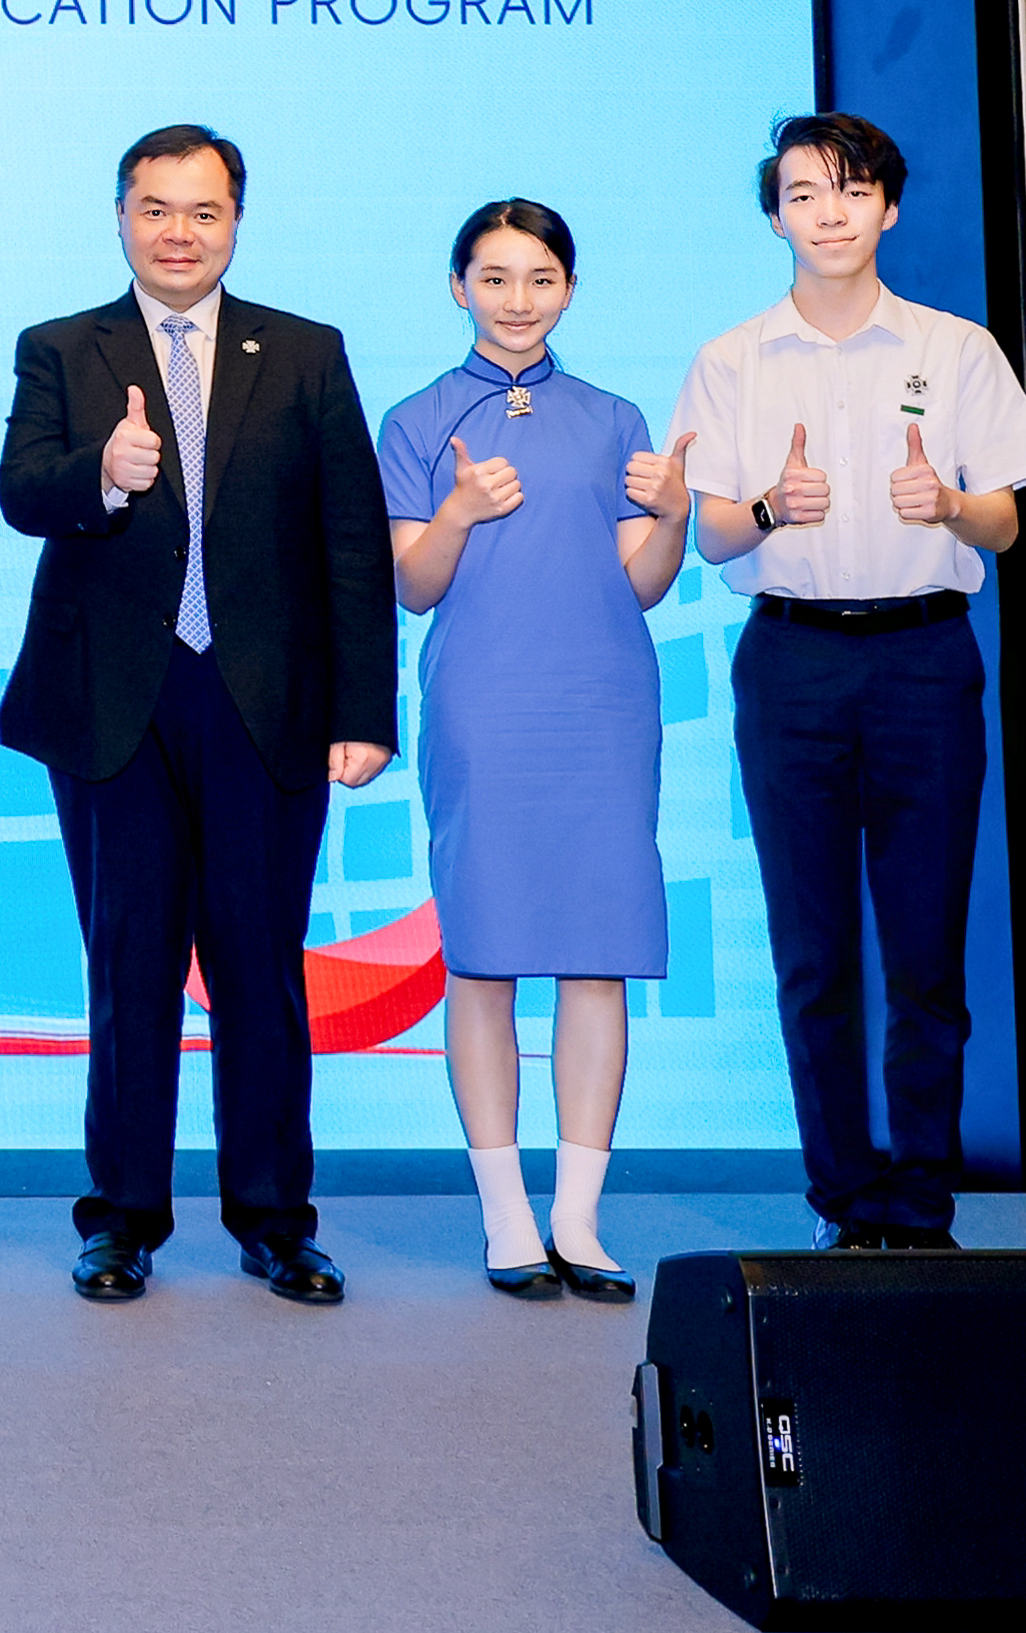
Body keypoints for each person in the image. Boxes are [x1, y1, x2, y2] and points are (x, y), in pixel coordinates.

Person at [0, 124, 398, 1307]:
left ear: (236, 221)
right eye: (156, 208)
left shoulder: (309, 352)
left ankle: (276, 1218)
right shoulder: (63, 349)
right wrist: (103, 476)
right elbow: (23, 491)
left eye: (204, 210)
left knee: (260, 967)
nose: (179, 231)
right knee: (128, 969)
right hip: (114, 703)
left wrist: (362, 708)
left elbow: (351, 543)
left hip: (265, 702)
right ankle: (120, 1216)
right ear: (120, 215)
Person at [671, 113, 1026, 1252]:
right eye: (802, 194)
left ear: (887, 207)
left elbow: (1007, 523)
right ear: (775, 215)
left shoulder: (957, 348)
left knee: (928, 945)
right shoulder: (732, 358)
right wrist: (767, 510)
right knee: (813, 946)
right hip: (790, 660)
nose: (827, 213)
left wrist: (948, 504)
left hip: (924, 659)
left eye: (849, 191)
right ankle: (844, 1196)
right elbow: (713, 541)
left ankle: (922, 1199)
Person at [380, 200, 687, 1303]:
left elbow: (642, 584)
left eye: (541, 277)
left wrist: (678, 514)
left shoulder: (613, 417)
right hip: (482, 704)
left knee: (595, 953)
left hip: (602, 703)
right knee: (486, 954)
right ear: (458, 286)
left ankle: (579, 1216)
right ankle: (507, 1217)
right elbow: (416, 584)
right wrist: (458, 511)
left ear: (569, 288)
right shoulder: (416, 419)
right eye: (496, 278)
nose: (520, 300)